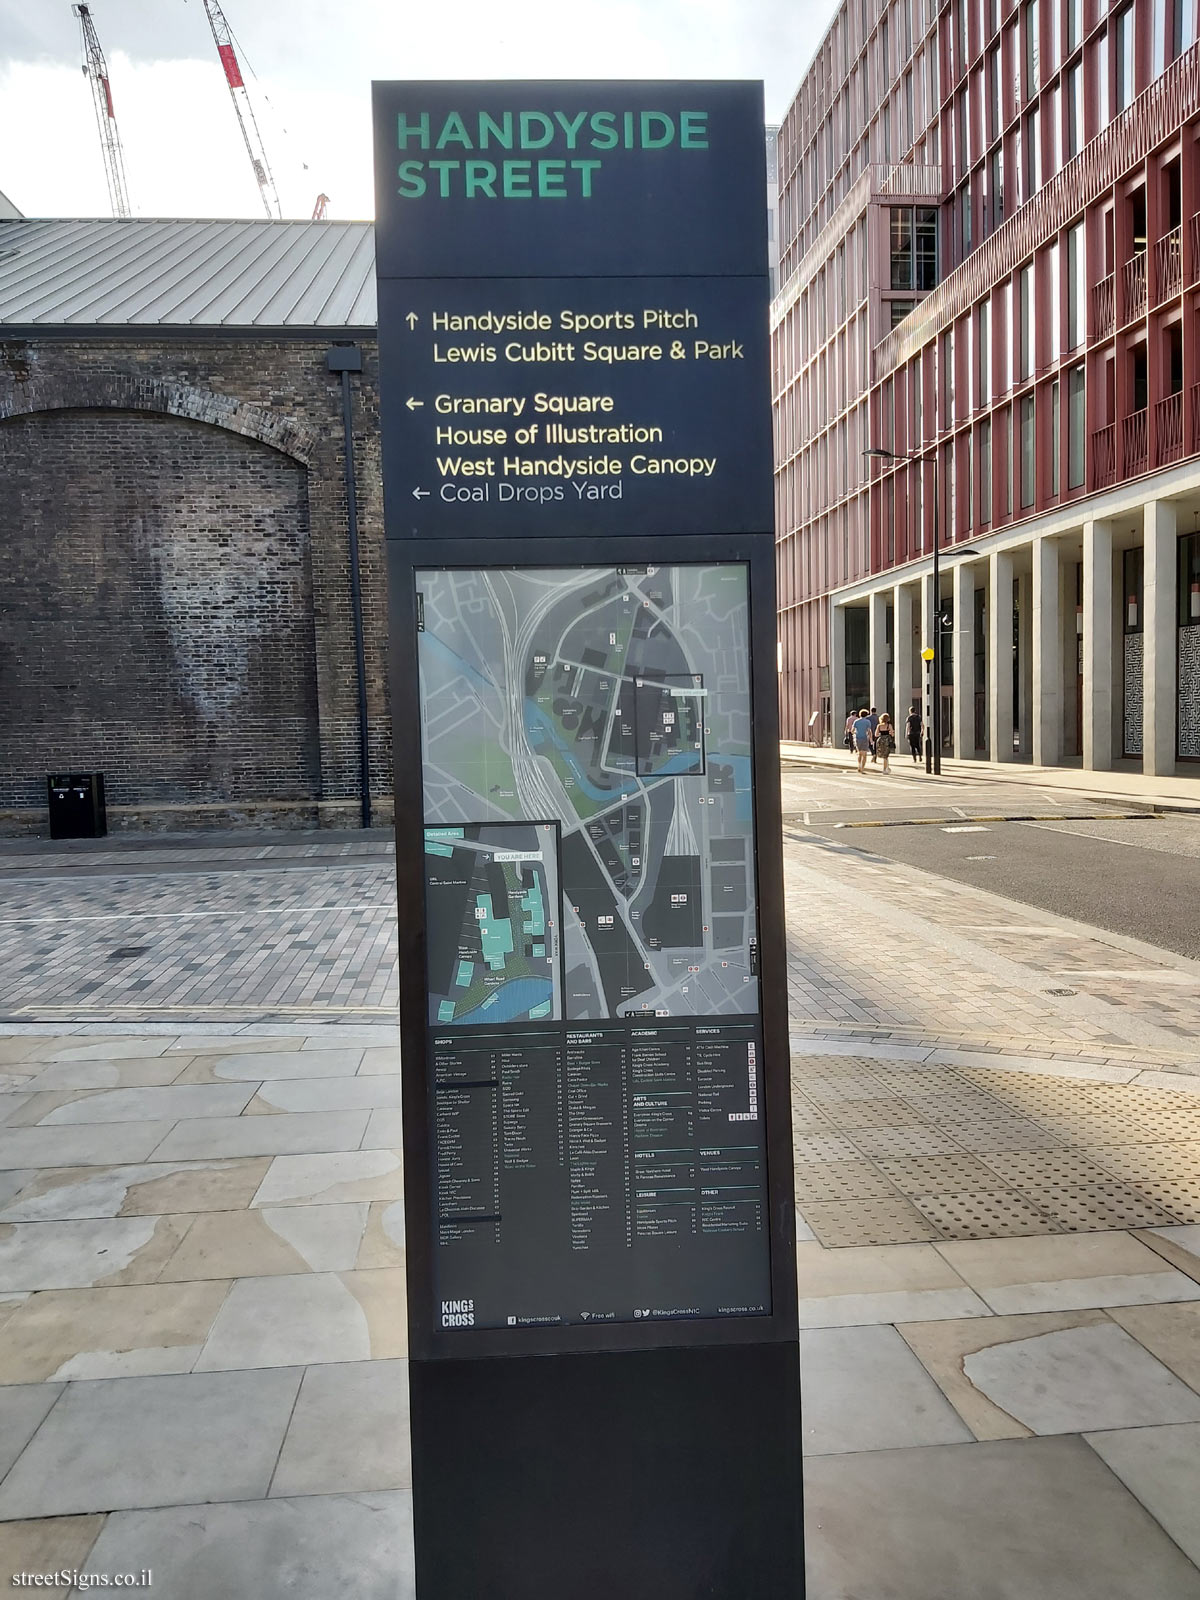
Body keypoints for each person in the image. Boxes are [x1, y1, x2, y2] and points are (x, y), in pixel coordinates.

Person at [851, 707, 873, 773]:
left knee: (859, 753)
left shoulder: (856, 721)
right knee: (864, 754)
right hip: (865, 738)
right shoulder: (867, 722)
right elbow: (869, 731)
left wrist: (855, 733)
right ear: (866, 715)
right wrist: (871, 739)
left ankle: (859, 765)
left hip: (858, 738)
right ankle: (862, 768)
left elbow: (852, 730)